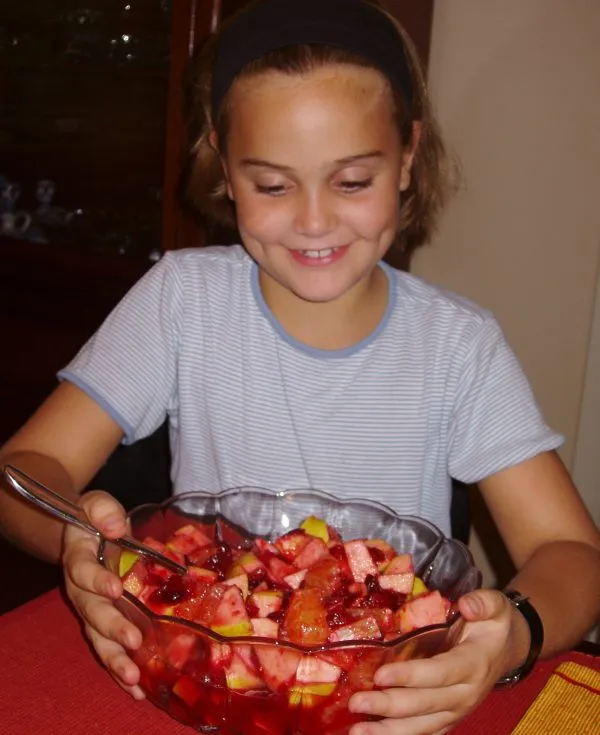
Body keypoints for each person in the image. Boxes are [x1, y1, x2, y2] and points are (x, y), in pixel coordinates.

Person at [1, 1, 599, 733]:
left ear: (408, 155)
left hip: (384, 705)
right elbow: (25, 468)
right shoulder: (182, 299)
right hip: (207, 683)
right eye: (274, 185)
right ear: (223, 165)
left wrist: (516, 629)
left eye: (351, 181)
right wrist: (77, 540)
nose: (314, 222)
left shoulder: (459, 347)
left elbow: (570, 552)